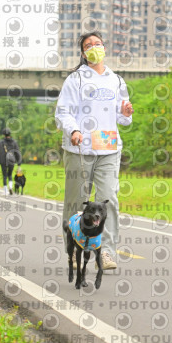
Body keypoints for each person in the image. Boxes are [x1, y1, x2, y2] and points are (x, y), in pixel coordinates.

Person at [54, 31, 134, 270]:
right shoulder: (76, 79)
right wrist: (74, 130)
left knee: (109, 200)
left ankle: (106, 252)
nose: (94, 47)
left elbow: (123, 118)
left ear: (104, 48)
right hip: (80, 148)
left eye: (97, 43)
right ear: (83, 52)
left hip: (108, 148)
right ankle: (73, 250)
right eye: (88, 45)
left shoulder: (116, 80)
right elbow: (63, 112)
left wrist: (126, 113)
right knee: (76, 203)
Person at [0, 128, 21, 196]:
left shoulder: (1, 142)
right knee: (10, 174)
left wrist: (0, 159)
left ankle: (5, 191)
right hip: (11, 160)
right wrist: (19, 163)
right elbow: (17, 152)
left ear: (3, 134)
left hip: (3, 160)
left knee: (4, 175)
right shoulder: (14, 142)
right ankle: (10, 187)